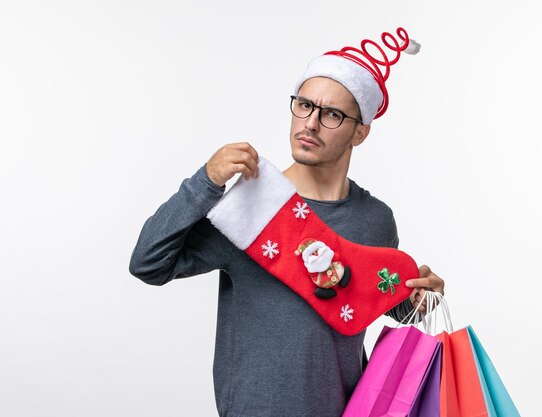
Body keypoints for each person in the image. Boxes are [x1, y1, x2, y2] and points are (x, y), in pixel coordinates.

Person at [129, 28, 445, 417]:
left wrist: (416, 295)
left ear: (359, 133)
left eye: (331, 114)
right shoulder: (249, 207)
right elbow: (148, 263)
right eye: (304, 105)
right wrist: (204, 183)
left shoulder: (375, 219)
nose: (310, 123)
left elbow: (366, 300)